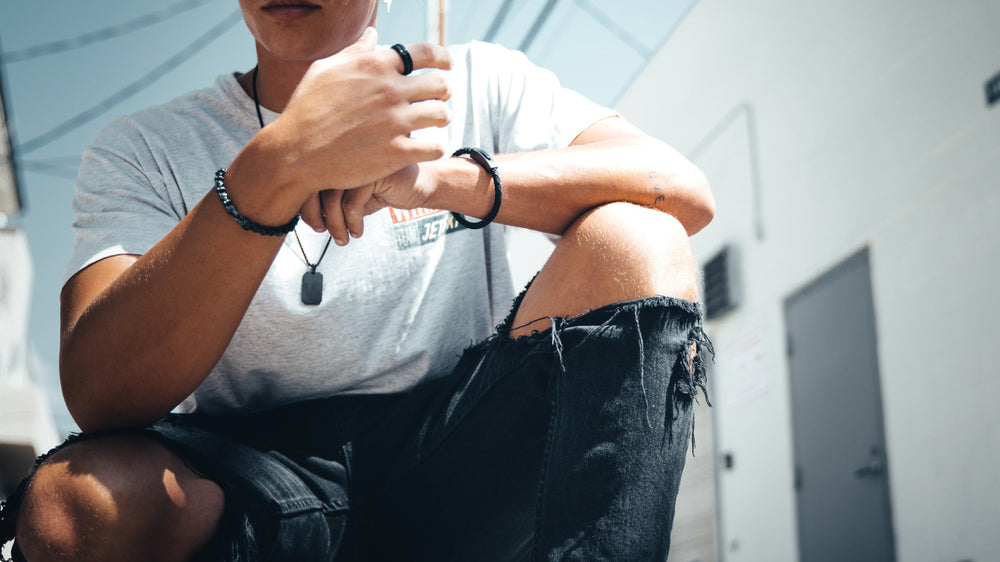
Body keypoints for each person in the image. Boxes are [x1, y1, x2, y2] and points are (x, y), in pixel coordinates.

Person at [0, 1, 715, 560]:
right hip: (250, 481)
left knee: (637, 240)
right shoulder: (145, 147)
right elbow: (98, 393)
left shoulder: (479, 84)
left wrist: (438, 181)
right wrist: (275, 166)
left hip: (460, 455)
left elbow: (680, 190)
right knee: (74, 510)